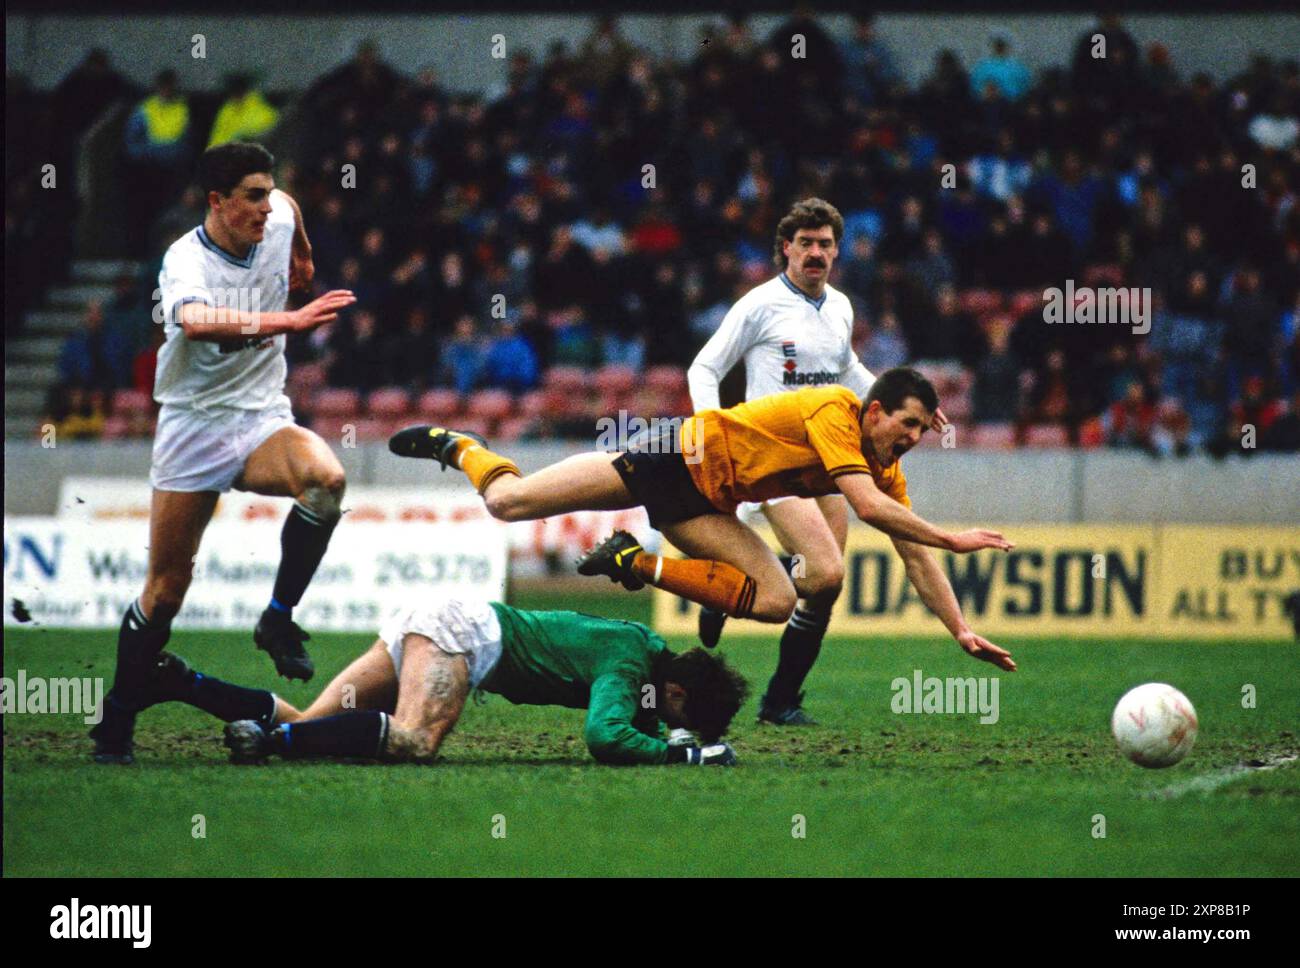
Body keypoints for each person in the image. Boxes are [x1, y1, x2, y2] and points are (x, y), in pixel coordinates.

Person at [390, 367, 1018, 688]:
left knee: (777, 600)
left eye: (919, 430)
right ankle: (461, 447)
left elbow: (911, 554)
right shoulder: (836, 410)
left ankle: (632, 563)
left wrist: (960, 630)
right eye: (905, 425)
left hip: (708, 505)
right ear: (874, 411)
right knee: (511, 503)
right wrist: (956, 536)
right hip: (673, 458)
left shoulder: (883, 465)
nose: (911, 440)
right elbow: (874, 512)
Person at [90, 142, 358, 765]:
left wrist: (302, 255)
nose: (267, 206)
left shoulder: (279, 215)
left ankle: (277, 619)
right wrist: (288, 323)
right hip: (193, 426)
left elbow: (290, 207)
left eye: (269, 192)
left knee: (326, 479)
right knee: (166, 589)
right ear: (218, 202)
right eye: (253, 196)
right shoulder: (185, 260)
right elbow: (199, 323)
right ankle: (117, 719)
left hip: (261, 416)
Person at [684, 198, 947, 724]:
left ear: (837, 251)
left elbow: (847, 369)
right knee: (822, 572)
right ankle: (731, 572)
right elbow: (704, 367)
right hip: (768, 460)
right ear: (786, 248)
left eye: (825, 244)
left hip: (827, 458)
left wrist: (914, 406)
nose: (816, 253)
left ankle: (779, 701)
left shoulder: (841, 308)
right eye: (805, 243)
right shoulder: (759, 305)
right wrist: (710, 432)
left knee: (825, 586)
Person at [131, 594, 748, 767]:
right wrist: (680, 756)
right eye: (679, 719)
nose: (671, 727)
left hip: (439, 622)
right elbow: (605, 736)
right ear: (676, 694)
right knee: (414, 740)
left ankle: (187, 684)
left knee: (312, 721)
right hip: (461, 637)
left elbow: (634, 714)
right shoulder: (630, 665)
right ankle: (270, 747)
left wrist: (673, 733)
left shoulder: (641, 656)